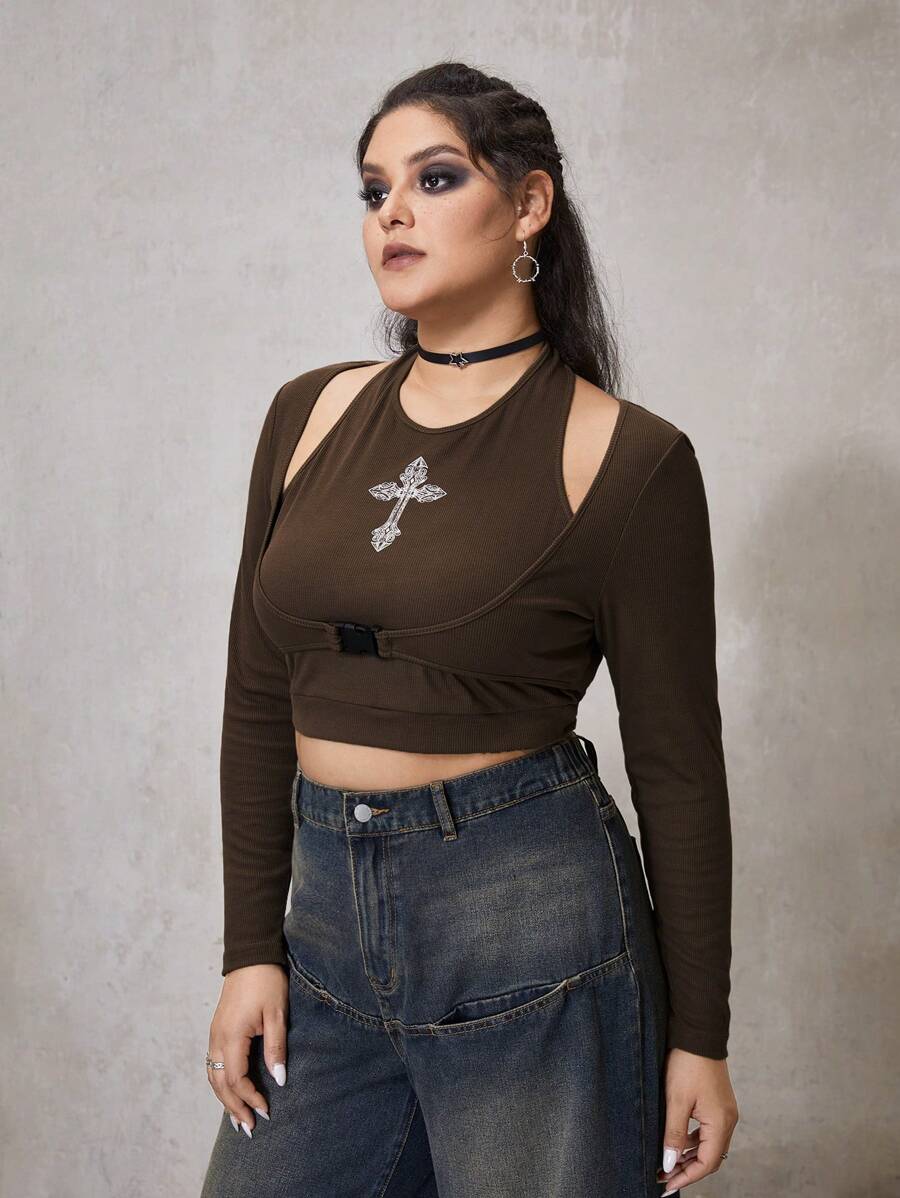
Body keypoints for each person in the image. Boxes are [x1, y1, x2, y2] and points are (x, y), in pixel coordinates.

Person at [201, 60, 739, 1198]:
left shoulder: (626, 456)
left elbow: (679, 766)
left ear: (529, 203)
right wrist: (251, 948)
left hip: (531, 928)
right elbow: (257, 694)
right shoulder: (309, 414)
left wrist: (701, 1035)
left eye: (434, 178)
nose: (392, 212)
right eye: (374, 190)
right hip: (322, 929)